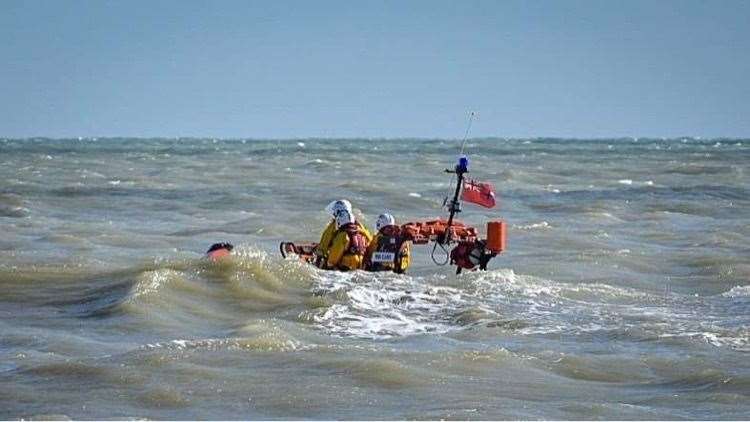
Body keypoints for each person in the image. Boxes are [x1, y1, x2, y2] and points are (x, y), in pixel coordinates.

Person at [314, 199, 371, 267]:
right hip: (360, 264)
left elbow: (324, 243)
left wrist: (319, 259)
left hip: (343, 265)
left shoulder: (337, 228)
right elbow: (370, 242)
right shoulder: (359, 226)